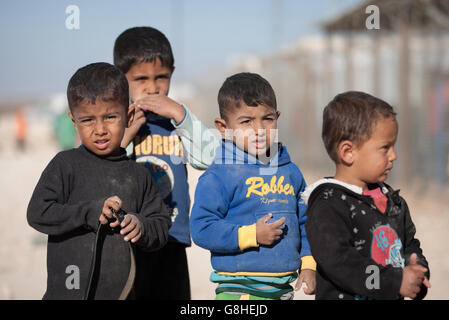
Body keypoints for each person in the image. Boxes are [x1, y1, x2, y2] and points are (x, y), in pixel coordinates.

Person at [27, 62, 171, 300]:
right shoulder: (65, 165)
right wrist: (88, 213)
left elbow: (161, 226)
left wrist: (140, 225)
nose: (100, 129)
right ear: (74, 122)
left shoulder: (139, 175)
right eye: (88, 120)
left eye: (110, 116)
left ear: (129, 116)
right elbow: (38, 213)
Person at [113, 26, 219, 300]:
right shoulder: (115, 123)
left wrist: (181, 114)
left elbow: (208, 159)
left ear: (172, 71)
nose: (153, 87)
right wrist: (124, 136)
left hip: (172, 236)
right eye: (141, 79)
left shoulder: (176, 121)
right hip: (128, 239)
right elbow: (101, 172)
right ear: (121, 78)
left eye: (162, 77)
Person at [190, 72, 316, 300]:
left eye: (267, 119)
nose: (259, 129)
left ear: (277, 117)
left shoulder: (290, 172)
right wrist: (250, 235)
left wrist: (308, 263)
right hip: (240, 290)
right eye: (246, 121)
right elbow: (202, 228)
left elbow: (306, 221)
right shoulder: (220, 174)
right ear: (223, 126)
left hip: (283, 290)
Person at [303, 91, 431, 300]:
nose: (394, 155)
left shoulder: (393, 202)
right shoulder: (328, 204)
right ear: (348, 152)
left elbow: (409, 245)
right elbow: (339, 261)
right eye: (385, 148)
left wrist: (417, 272)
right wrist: (395, 282)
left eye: (394, 146)